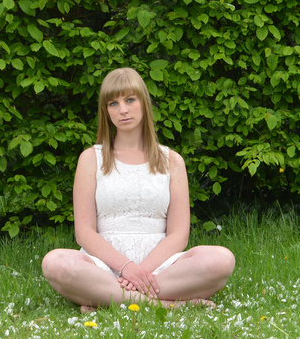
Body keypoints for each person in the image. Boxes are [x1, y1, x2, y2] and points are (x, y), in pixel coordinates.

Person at [41, 67, 235, 311]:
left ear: (144, 103)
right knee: (55, 262)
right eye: (113, 103)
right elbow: (84, 232)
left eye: (130, 100)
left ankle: (108, 298)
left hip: (160, 268)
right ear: (106, 111)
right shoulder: (91, 159)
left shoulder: (172, 161)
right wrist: (126, 267)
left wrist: (141, 271)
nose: (122, 110)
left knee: (221, 259)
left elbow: (178, 235)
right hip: (103, 267)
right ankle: (164, 305)